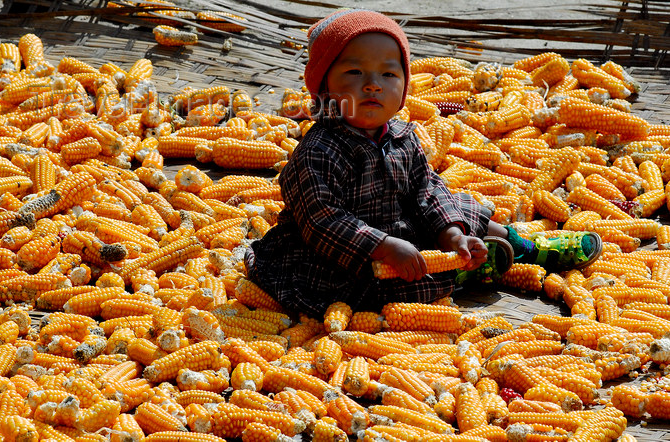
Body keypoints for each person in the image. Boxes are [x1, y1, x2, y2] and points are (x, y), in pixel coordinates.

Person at [244, 9, 601, 318]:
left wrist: (451, 233)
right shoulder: (318, 152)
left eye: (388, 74)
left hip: (400, 228)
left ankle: (524, 247)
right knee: (384, 290)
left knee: (466, 210)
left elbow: (425, 189)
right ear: (323, 88)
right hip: (342, 255)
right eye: (354, 73)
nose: (372, 86)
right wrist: (383, 246)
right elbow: (323, 221)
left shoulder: (402, 135)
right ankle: (465, 272)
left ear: (403, 86)